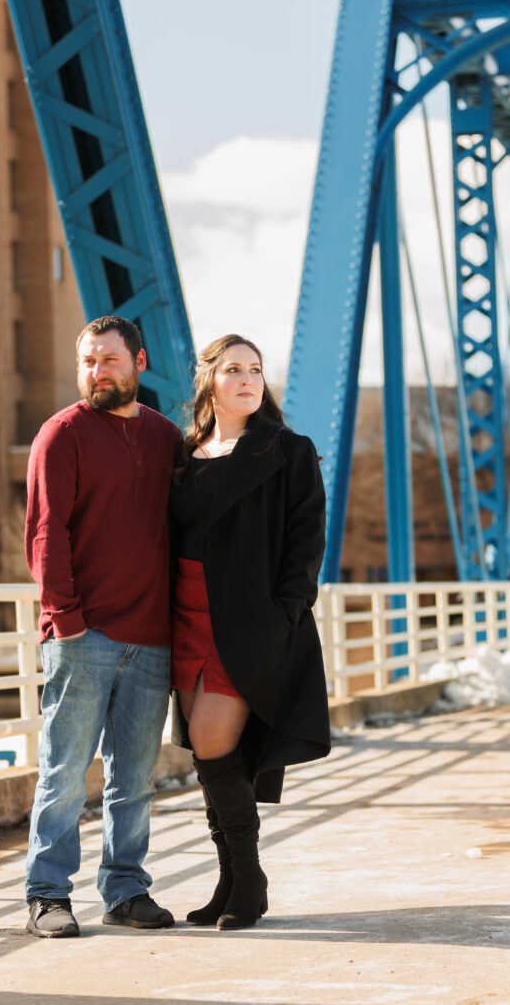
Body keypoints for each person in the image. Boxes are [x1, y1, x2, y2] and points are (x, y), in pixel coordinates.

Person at [24, 315, 182, 938]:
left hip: (151, 638)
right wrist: (66, 622)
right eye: (88, 361)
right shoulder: (61, 434)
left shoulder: (169, 438)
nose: (97, 372)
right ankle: (47, 894)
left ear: (138, 362)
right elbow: (44, 533)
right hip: (82, 635)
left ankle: (124, 888)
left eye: (109, 360)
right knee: (64, 772)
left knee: (135, 779)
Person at [170, 334, 331, 931]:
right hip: (184, 616)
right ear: (210, 380)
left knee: (213, 741)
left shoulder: (285, 451)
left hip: (247, 622)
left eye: (256, 370)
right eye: (234, 369)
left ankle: (250, 876)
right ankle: (232, 881)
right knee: (213, 757)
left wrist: (286, 610)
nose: (247, 379)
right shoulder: (186, 456)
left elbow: (307, 537)